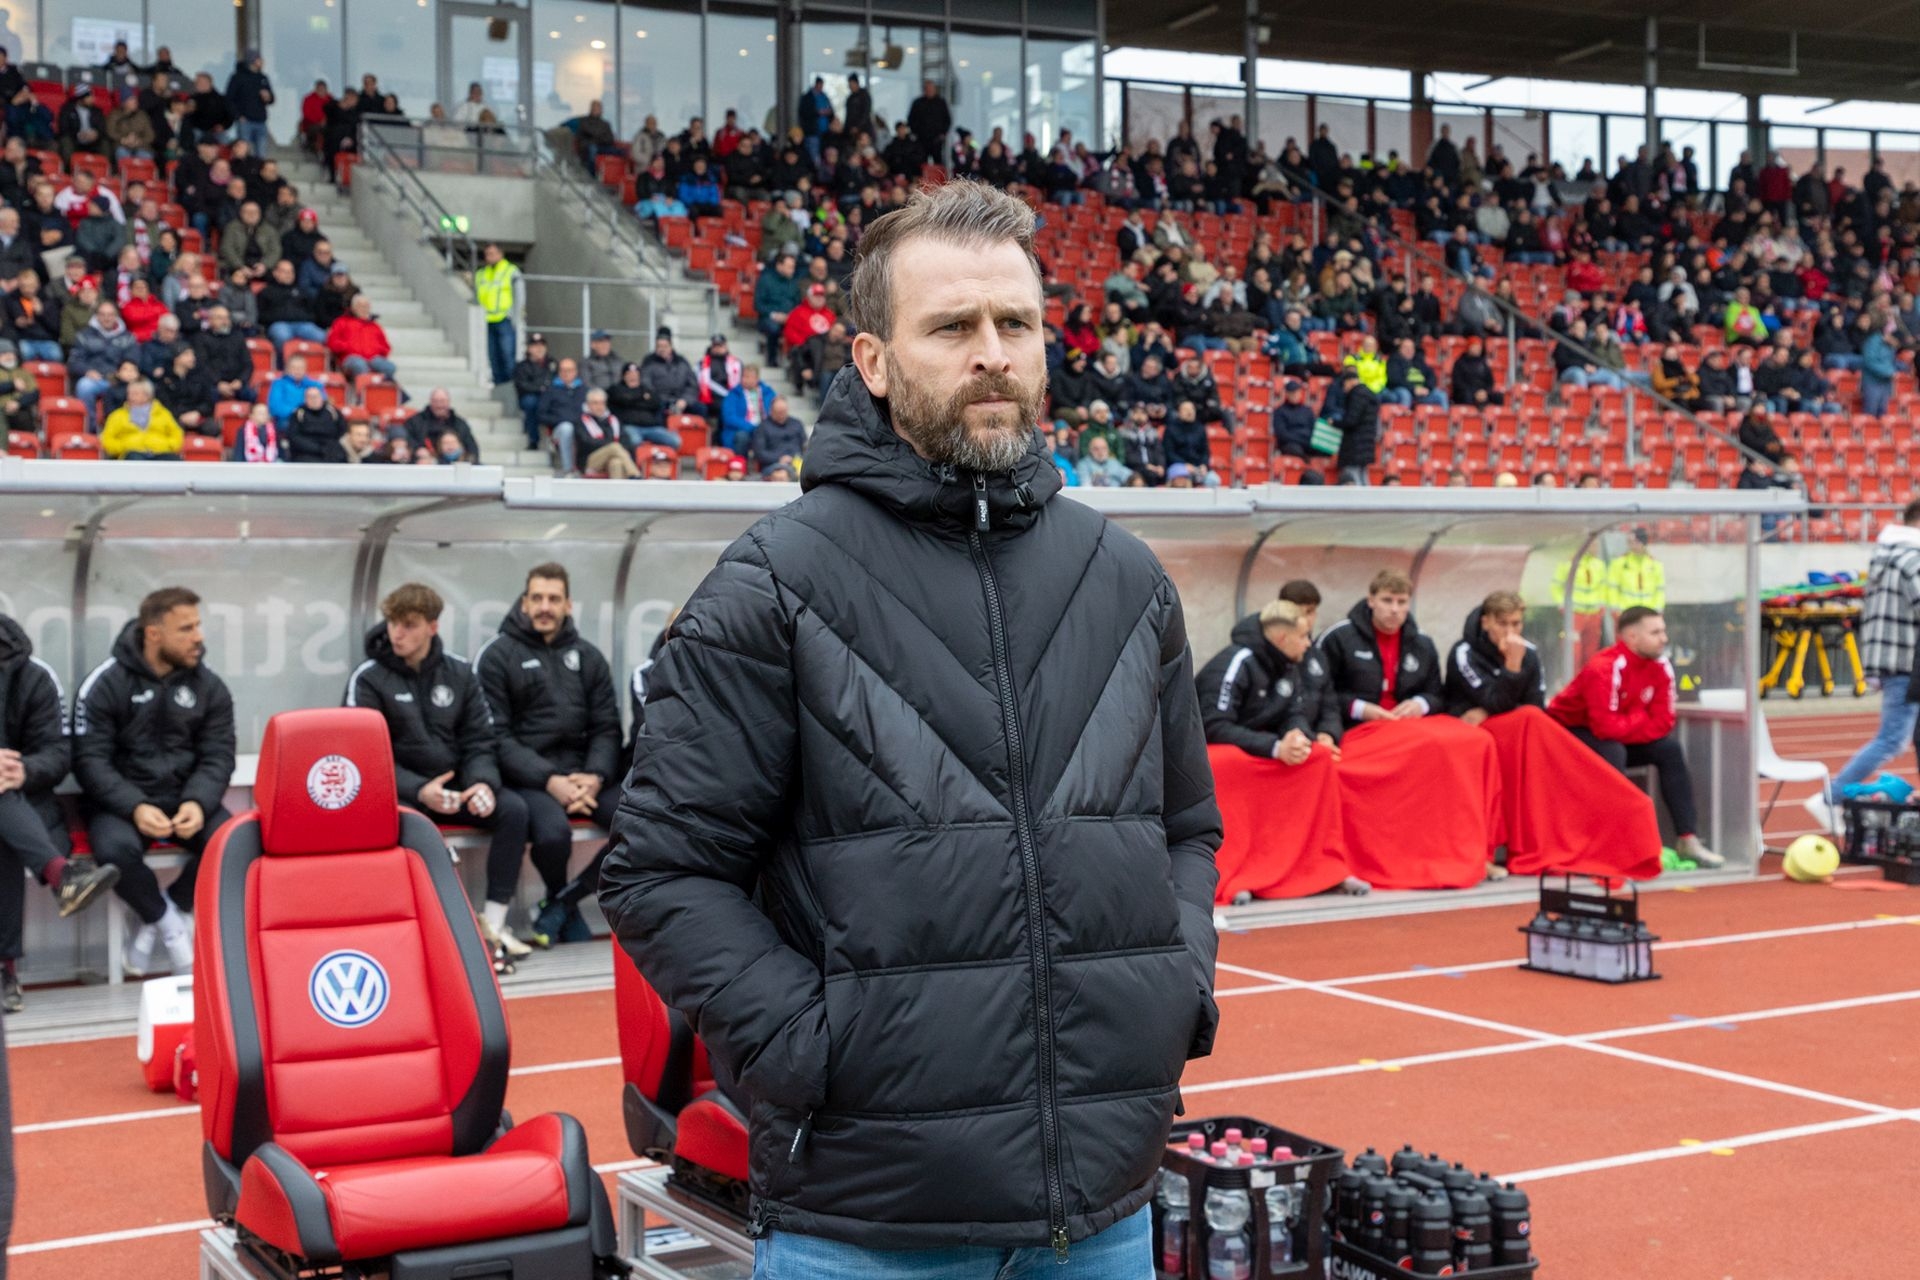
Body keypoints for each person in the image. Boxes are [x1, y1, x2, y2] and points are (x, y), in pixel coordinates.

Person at [597, 180, 1220, 1274]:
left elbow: (1186, 828)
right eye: (952, 327)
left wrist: (1177, 986)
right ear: (874, 361)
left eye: (1015, 323)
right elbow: (660, 871)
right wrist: (818, 1046)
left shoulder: (1125, 579)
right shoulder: (774, 582)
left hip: (1105, 1211)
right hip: (866, 1221)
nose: (993, 354)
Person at [346, 582, 534, 967]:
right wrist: (419, 790)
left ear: (432, 627)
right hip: (402, 794)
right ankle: (433, 933)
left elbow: (480, 739)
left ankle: (493, 926)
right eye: (393, 623)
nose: (397, 633)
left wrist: (481, 782)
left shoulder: (460, 673)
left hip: (455, 789)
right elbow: (365, 756)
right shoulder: (368, 678)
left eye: (409, 625)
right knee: (411, 826)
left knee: (513, 810)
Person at [73, 587, 236, 975]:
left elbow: (219, 754)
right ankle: (168, 925)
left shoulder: (209, 686)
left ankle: (166, 911)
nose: (198, 637)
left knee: (231, 842)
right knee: (114, 851)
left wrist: (197, 801)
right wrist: (135, 806)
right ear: (153, 634)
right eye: (186, 628)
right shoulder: (106, 683)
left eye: (198, 625)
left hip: (186, 800)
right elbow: (89, 759)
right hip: (122, 804)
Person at [1446, 592, 1661, 880]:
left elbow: (1534, 704)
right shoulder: (1464, 652)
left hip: (1519, 733)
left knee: (1592, 745)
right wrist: (1511, 668)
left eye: (1516, 624)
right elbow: (1493, 699)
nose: (1510, 632)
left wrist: (1492, 706)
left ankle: (1607, 832)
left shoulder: (1529, 653)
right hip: (1475, 735)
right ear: (1486, 623)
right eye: (1502, 624)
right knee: (1530, 723)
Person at [1317, 571, 1501, 890]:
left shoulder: (1421, 642)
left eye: (1402, 602)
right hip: (1359, 728)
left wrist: (1419, 703)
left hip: (1408, 726)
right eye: (1387, 601)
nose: (1395, 610)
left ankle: (1469, 851)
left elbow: (1437, 693)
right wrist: (1361, 708)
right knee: (1427, 749)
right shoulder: (1338, 638)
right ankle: (1394, 858)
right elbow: (1319, 691)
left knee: (1474, 741)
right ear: (1371, 600)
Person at [475, 563, 623, 948]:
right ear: (524, 603)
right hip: (529, 779)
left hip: (584, 777)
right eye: (537, 598)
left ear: (568, 605)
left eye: (554, 599)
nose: (545, 606)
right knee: (553, 833)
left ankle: (563, 902)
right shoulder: (497, 656)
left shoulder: (588, 657)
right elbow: (494, 736)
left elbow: (607, 727)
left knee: (641, 822)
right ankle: (561, 903)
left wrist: (595, 776)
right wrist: (549, 779)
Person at [0, 613, 122, 1010]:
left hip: (26, 805)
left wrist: (22, 770)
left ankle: (5, 969)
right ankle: (62, 877)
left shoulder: (32, 675)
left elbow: (57, 753)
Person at [1196, 600, 1352, 903]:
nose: (1309, 644)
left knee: (1318, 757)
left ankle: (1316, 866)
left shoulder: (1289, 662)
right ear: (1283, 638)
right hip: (1224, 749)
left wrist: (1297, 735)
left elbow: (1294, 710)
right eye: (1303, 636)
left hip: (1260, 746)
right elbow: (1212, 725)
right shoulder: (1237, 661)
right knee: (1228, 763)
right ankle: (1235, 872)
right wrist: (1275, 747)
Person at [1549, 606, 1721, 867]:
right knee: (1613, 750)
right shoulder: (1605, 667)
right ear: (1631, 637)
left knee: (1669, 750)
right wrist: (1640, 717)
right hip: (1568, 736)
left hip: (1614, 736)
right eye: (1655, 633)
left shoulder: (1661, 665)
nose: (1664, 638)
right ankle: (1616, 843)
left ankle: (1688, 839)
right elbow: (1605, 727)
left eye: (1663, 631)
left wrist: (1629, 722)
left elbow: (1663, 722)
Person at [1807, 502, 1920, 828]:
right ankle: (1831, 797)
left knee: (1900, 737)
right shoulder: (1911, 558)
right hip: (1906, 660)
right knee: (1892, 739)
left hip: (1892, 658)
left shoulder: (1887, 554)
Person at [100, 378, 184, 459]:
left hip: (160, 451)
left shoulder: (163, 413)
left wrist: (168, 446)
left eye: (135, 393)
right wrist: (123, 447)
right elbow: (107, 438)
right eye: (129, 393)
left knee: (173, 460)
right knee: (134, 457)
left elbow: (176, 433)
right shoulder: (117, 415)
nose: (130, 396)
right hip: (131, 453)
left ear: (147, 395)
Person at [473, 242, 518, 387]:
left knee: (507, 356)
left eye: (492, 254)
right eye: (487, 254)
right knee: (493, 358)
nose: (489, 257)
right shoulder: (481, 274)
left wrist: (515, 318)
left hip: (504, 319)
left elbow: (519, 296)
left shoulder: (510, 270)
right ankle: (499, 388)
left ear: (500, 254)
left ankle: (511, 387)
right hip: (487, 321)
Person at [326, 292, 397, 379]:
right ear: (353, 308)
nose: (364, 309)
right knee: (360, 365)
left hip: (373, 359)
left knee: (390, 367)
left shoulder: (375, 326)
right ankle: (365, 386)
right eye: (360, 306)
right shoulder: (341, 322)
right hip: (351, 358)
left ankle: (379, 385)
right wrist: (347, 346)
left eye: (366, 306)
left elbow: (386, 347)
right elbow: (332, 342)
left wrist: (378, 351)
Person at [224, 51, 274, 155]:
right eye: (259, 59)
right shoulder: (238, 77)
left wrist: (268, 97)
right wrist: (238, 116)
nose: (262, 61)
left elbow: (272, 99)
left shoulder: (263, 78)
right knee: (243, 152)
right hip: (245, 121)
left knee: (261, 153)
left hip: (261, 121)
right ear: (253, 61)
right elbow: (229, 99)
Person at [512, 331, 555, 449]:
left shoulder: (552, 364)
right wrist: (540, 388)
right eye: (535, 346)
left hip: (550, 396)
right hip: (532, 396)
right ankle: (533, 439)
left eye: (542, 345)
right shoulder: (522, 366)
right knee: (530, 403)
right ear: (529, 348)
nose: (539, 349)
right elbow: (522, 385)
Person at [1606, 528, 1666, 613]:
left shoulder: (1655, 565)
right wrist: (1615, 609)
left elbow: (1660, 590)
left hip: (1648, 611)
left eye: (1635, 542)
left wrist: (1658, 609)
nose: (1632, 546)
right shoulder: (1619, 563)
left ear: (1643, 542)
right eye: (1630, 542)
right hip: (1626, 611)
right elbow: (1613, 588)